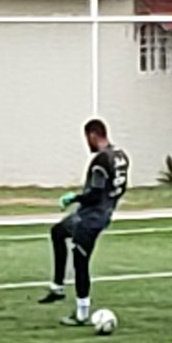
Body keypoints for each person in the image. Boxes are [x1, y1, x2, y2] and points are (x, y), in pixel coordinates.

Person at [39, 119, 130, 326]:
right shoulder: (120, 156)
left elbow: (95, 194)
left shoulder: (101, 161)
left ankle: (81, 312)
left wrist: (74, 198)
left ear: (93, 135)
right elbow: (121, 187)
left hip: (91, 218)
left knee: (81, 260)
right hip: (100, 213)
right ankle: (57, 286)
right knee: (58, 232)